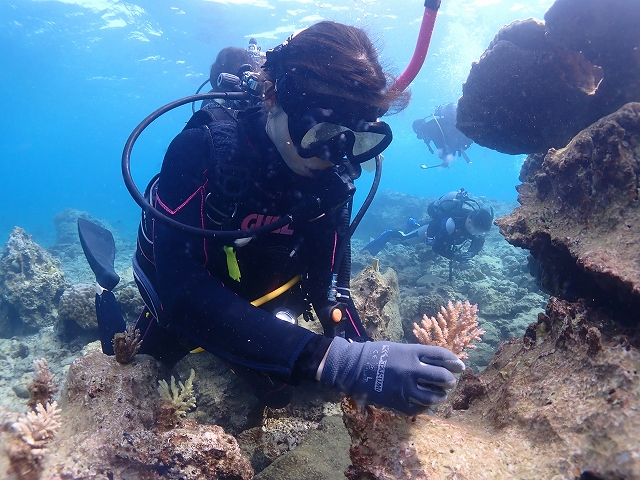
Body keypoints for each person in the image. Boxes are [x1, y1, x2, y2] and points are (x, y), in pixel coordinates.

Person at [80, 21, 464, 416]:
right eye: (322, 131)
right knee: (126, 368)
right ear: (274, 98)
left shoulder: (333, 172)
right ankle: (103, 288)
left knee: (281, 390)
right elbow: (182, 292)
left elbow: (329, 284)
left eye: (356, 139)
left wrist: (364, 356)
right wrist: (328, 359)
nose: (333, 155)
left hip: (268, 292)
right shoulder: (202, 148)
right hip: (186, 295)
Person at [362, 189, 493, 263]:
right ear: (470, 220)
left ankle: (413, 223)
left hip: (442, 233)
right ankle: (389, 234)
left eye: (479, 232)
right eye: (475, 230)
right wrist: (455, 257)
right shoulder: (451, 224)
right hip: (431, 230)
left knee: (414, 231)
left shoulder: (475, 225)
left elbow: (479, 240)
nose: (474, 234)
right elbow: (437, 247)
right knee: (405, 241)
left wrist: (471, 252)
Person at [413, 102, 473, 168]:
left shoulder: (430, 129)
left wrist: (446, 160)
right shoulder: (432, 124)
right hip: (466, 129)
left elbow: (440, 145)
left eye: (421, 136)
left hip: (464, 132)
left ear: (420, 131)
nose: (425, 140)